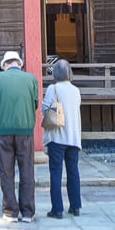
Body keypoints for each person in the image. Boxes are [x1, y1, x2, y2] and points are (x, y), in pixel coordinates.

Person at [0, 50, 38, 223]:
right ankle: (28, 212)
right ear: (19, 63)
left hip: (3, 131)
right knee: (27, 170)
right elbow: (35, 102)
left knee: (6, 171)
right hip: (25, 131)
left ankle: (10, 211)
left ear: (5, 64)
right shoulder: (31, 79)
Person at [42, 58, 82, 219]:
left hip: (57, 136)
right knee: (73, 171)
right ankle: (75, 206)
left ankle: (57, 209)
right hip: (73, 136)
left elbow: (45, 108)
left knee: (56, 172)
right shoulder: (76, 90)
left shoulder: (54, 88)